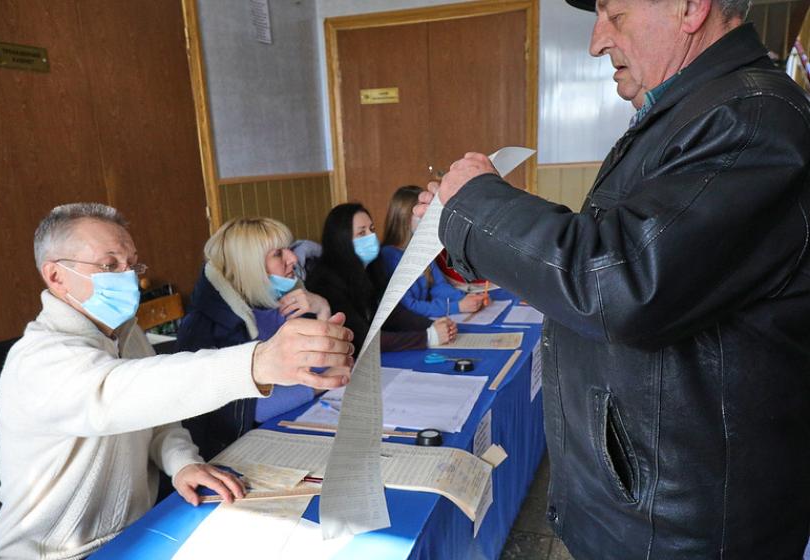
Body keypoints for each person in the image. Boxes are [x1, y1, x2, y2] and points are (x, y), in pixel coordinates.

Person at [416, 0, 810, 557]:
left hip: (680, 533)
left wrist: (478, 205)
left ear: (690, 8)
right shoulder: (692, 111)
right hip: (650, 512)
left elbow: (618, 282)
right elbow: (611, 255)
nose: (596, 42)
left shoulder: (749, 119)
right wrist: (463, 233)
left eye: (615, 15)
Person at [0, 203, 354, 560]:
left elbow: (158, 419)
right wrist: (257, 363)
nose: (128, 277)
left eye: (131, 264)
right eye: (109, 265)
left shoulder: (125, 332)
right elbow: (124, 393)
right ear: (55, 276)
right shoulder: (39, 359)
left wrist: (182, 463)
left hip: (135, 536)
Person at [176, 217, 332, 459]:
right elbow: (255, 407)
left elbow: (320, 364)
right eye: (278, 254)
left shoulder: (276, 302)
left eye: (289, 249)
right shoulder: (206, 327)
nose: (292, 258)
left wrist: (322, 308)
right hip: (232, 454)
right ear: (250, 267)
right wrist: (321, 384)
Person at [306, 202, 457, 355]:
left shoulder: (370, 269)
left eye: (372, 229)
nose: (371, 236)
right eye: (361, 233)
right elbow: (363, 339)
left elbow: (391, 315)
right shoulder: (325, 283)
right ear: (341, 239)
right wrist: (428, 337)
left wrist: (431, 325)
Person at [381, 185, 487, 317]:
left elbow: (438, 286)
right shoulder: (389, 256)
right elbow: (409, 306)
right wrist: (457, 306)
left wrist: (465, 298)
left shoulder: (422, 248)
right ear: (404, 217)